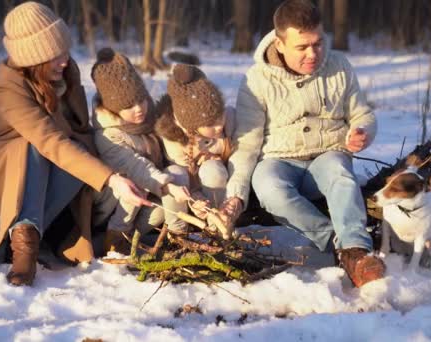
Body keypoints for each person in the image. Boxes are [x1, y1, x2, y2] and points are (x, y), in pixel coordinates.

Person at [0, 2, 150, 286]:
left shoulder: (64, 73)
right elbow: (49, 140)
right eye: (54, 56)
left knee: (81, 154)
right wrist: (111, 179)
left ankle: (29, 233)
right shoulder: (8, 87)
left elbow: (78, 131)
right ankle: (24, 249)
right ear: (34, 59)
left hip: (46, 166)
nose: (65, 60)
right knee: (33, 147)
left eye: (65, 51)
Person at [222, 0, 384, 287]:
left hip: (328, 153)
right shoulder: (256, 80)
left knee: (341, 175)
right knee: (269, 187)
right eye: (302, 47)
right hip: (278, 160)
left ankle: (357, 251)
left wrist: (362, 131)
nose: (313, 53)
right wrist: (236, 194)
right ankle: (335, 244)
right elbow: (247, 144)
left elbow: (362, 114)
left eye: (318, 43)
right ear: (280, 43)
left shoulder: (339, 66)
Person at [90, 48, 190, 254]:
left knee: (174, 184)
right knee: (135, 181)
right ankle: (115, 239)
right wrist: (167, 187)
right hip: (113, 207)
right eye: (128, 105)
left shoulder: (150, 119)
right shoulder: (107, 135)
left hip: (146, 200)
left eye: (141, 99)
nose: (139, 108)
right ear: (113, 109)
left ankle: (173, 240)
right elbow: (137, 166)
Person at [154, 64, 235, 235]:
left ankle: (217, 228)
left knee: (214, 171)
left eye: (220, 116)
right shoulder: (173, 138)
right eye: (211, 123)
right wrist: (195, 201)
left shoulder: (226, 121)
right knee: (175, 174)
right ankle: (177, 233)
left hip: (211, 190)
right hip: (183, 194)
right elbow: (186, 180)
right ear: (191, 125)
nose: (220, 126)